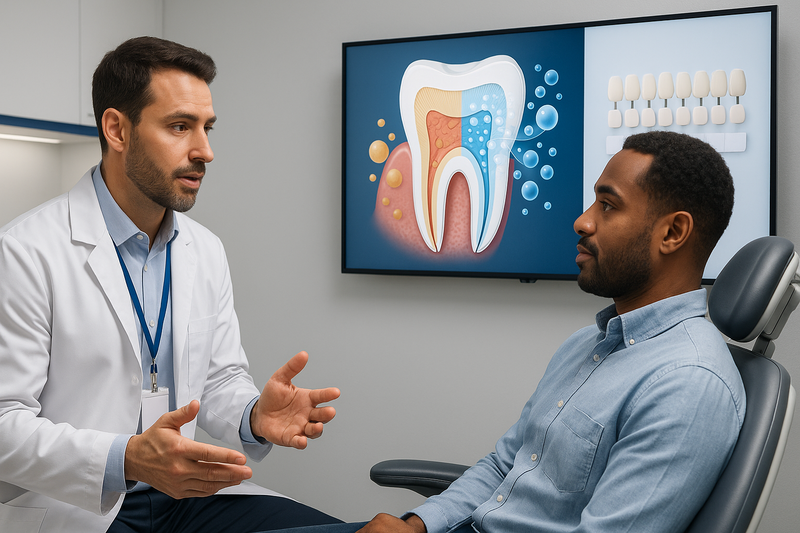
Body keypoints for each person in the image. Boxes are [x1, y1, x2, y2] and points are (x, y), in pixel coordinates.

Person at [272, 130, 745, 533]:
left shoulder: (688, 383)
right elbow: (505, 466)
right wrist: (417, 525)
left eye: (608, 206)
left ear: (672, 233)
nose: (582, 221)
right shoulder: (587, 345)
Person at [0, 37, 342, 533]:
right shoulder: (24, 251)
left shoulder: (204, 249)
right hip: (78, 504)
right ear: (117, 129)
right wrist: (129, 458)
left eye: (207, 127)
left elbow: (220, 379)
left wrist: (253, 416)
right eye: (180, 127)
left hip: (183, 495)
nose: (205, 150)